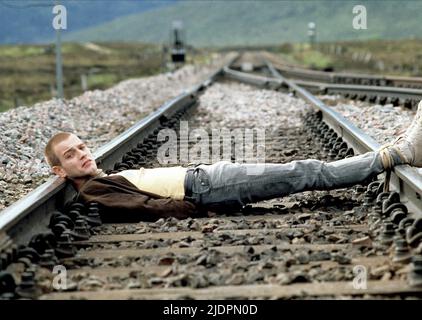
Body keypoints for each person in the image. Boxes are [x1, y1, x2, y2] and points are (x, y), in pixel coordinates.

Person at [44, 105, 422, 222]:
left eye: (82, 147)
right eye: (71, 155)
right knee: (306, 172)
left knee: (302, 172)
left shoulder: (99, 179)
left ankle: (395, 151)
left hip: (207, 179)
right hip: (206, 186)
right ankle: (398, 154)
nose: (83, 154)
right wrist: (196, 208)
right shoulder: (94, 190)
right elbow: (143, 206)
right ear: (59, 171)